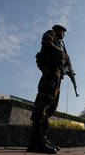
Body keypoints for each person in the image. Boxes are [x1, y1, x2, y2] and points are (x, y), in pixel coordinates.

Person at [27, 25, 68, 154]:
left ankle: (42, 139)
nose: (64, 35)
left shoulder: (60, 44)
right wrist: (60, 52)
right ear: (58, 30)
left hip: (56, 76)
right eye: (63, 32)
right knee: (44, 104)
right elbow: (46, 41)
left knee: (50, 107)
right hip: (49, 74)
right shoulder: (50, 34)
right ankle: (37, 142)